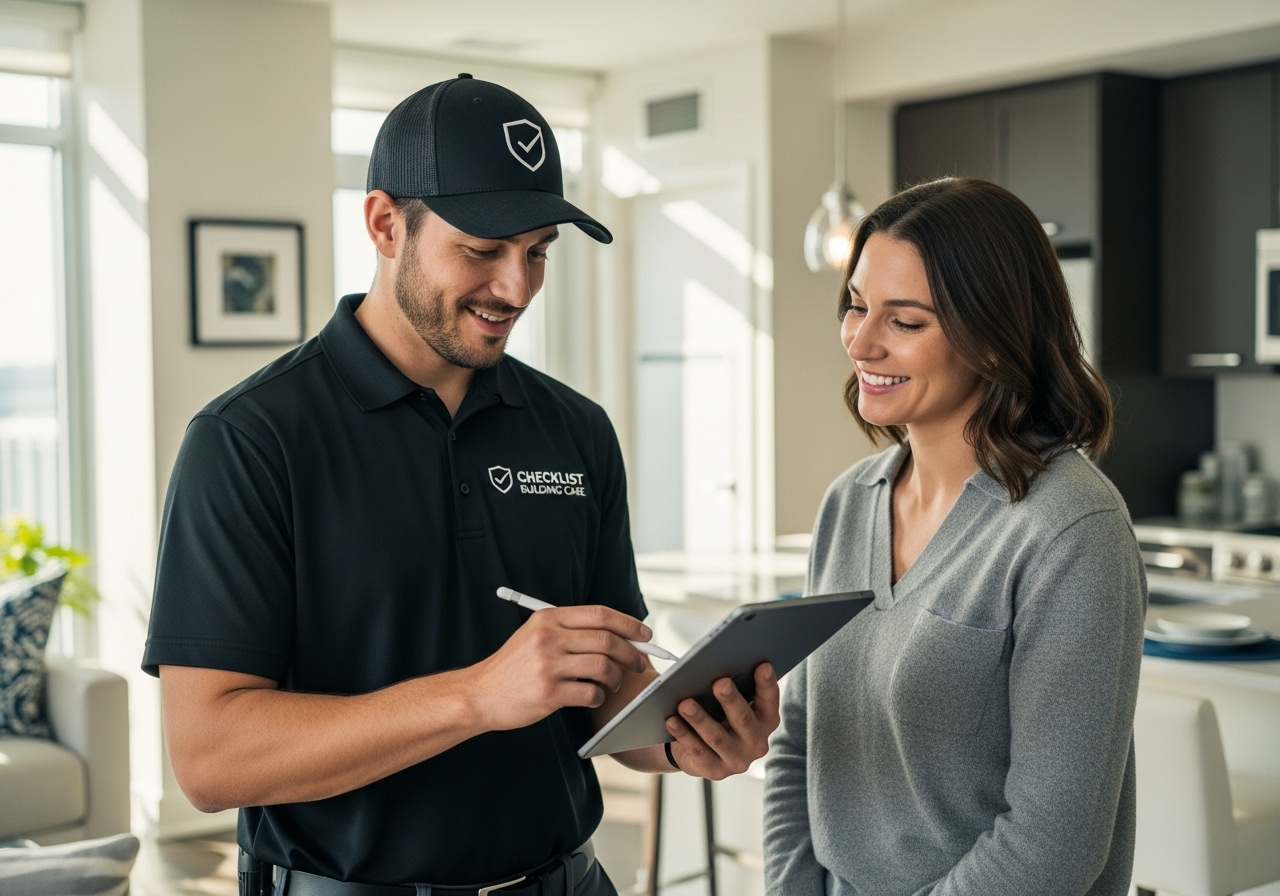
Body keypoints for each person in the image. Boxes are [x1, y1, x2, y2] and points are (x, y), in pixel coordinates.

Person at [142, 75, 778, 896]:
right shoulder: (249, 441)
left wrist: (685, 736)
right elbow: (210, 757)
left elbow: (604, 687)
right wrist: (477, 696)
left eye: (538, 251)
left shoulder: (577, 432)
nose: (516, 288)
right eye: (482, 249)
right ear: (383, 224)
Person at [763, 177, 1147, 896]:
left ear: (995, 342)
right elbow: (799, 747)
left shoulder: (1070, 530)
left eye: (904, 322)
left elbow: (1052, 845)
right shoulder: (849, 503)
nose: (860, 341)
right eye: (855, 306)